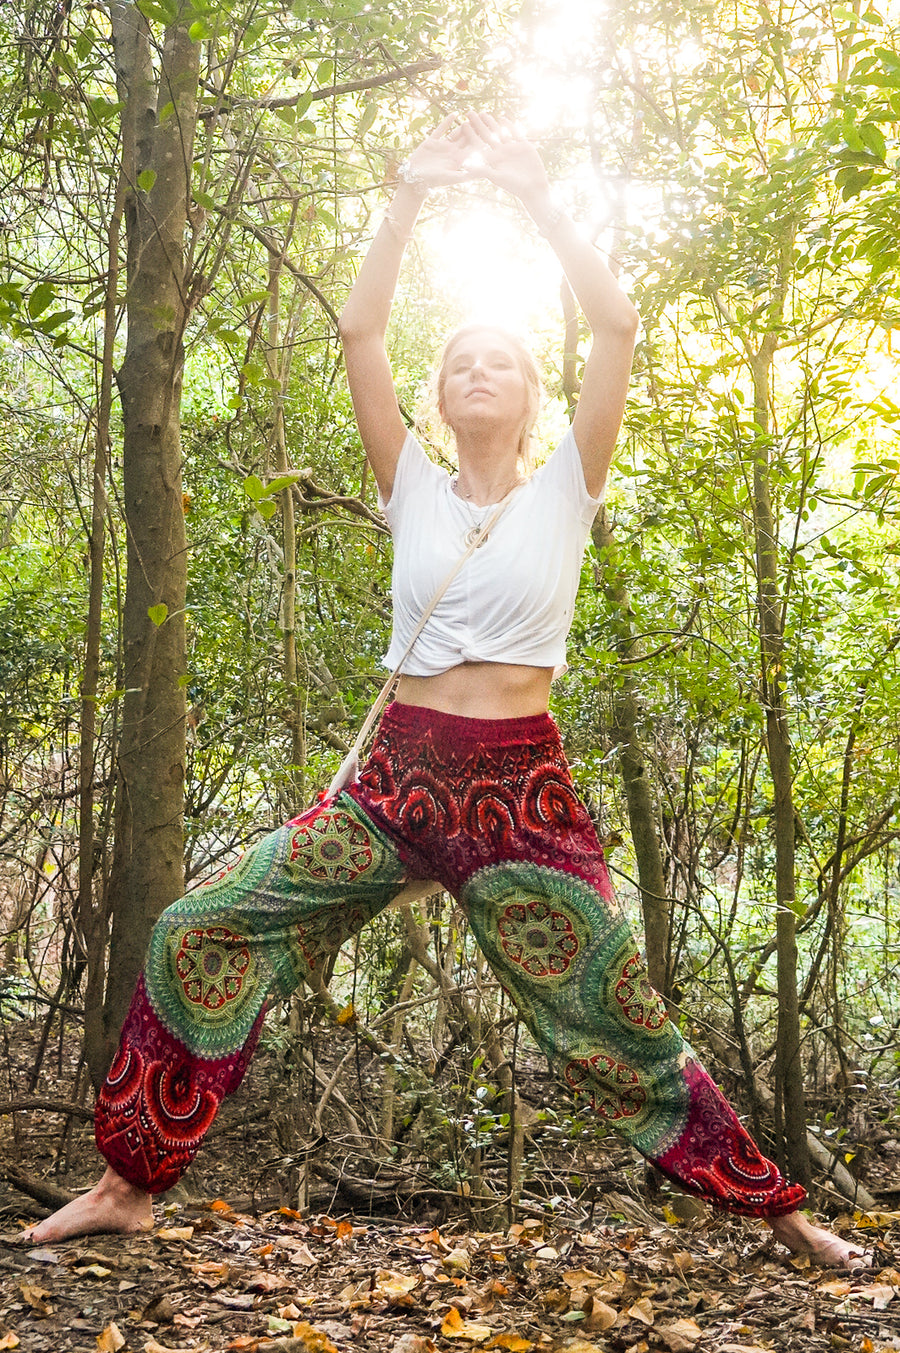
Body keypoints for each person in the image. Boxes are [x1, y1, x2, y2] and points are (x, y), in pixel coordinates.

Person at [23, 113, 863, 1266]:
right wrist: (407, 194)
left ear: (529, 393)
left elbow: (617, 324)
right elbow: (360, 327)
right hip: (393, 782)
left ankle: (784, 1210)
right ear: (441, 389)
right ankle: (130, 1181)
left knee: (615, 1017)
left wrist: (535, 195)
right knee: (197, 928)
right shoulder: (407, 481)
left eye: (503, 361)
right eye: (461, 360)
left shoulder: (569, 483)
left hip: (519, 792)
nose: (480, 371)